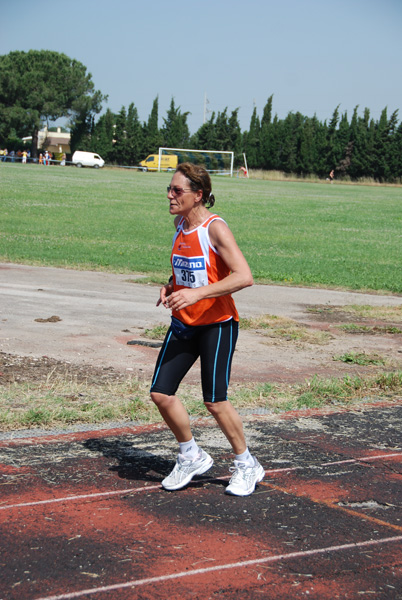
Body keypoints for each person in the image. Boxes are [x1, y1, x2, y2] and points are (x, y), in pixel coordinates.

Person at [150, 162, 264, 496]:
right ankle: (191, 456)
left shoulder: (215, 229)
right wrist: (171, 285)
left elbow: (244, 276)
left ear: (199, 195)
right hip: (184, 322)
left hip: (217, 325)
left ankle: (247, 464)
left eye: (177, 191)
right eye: (169, 190)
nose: (170, 196)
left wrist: (195, 294)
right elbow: (188, 270)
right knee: (161, 393)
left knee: (215, 401)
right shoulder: (178, 224)